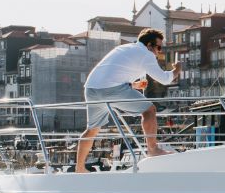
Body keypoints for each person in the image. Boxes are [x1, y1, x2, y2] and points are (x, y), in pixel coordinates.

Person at [74, 28, 180, 172]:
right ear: (149, 45)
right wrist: (177, 69)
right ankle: (153, 149)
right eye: (158, 47)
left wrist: (133, 85)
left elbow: (112, 73)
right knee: (149, 110)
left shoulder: (123, 48)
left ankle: (79, 168)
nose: (159, 52)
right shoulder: (146, 54)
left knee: (92, 129)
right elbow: (165, 79)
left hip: (91, 89)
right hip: (112, 90)